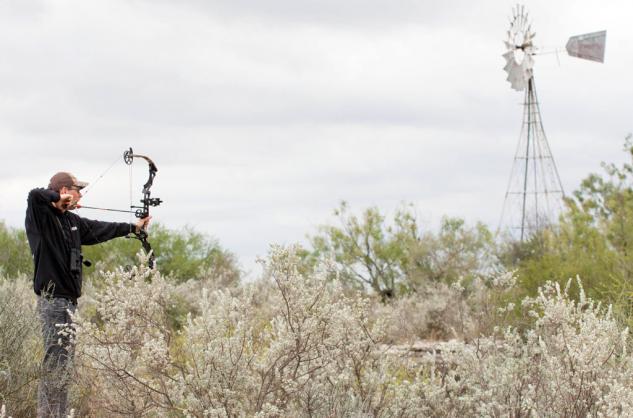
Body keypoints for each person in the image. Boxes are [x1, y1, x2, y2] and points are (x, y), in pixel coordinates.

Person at [25, 171, 151, 418]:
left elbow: (100, 228)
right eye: (77, 189)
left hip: (69, 303)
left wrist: (134, 228)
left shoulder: (71, 221)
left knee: (65, 365)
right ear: (64, 190)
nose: (81, 194)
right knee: (55, 363)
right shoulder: (42, 216)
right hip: (52, 301)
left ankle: (57, 414)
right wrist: (56, 199)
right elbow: (34, 195)